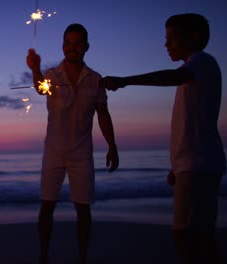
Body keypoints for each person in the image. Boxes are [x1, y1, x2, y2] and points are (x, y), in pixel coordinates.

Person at [99, 13, 225, 264]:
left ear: (194, 37)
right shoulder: (198, 68)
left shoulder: (201, 62)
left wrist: (125, 81)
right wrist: (177, 168)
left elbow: (171, 77)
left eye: (172, 38)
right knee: (201, 236)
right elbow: (191, 126)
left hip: (198, 167)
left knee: (185, 236)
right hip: (194, 166)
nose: (166, 45)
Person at [26, 23, 119, 264]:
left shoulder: (95, 79)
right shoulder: (51, 75)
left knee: (83, 210)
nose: (72, 47)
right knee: (47, 207)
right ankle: (43, 257)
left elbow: (103, 115)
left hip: (82, 154)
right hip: (53, 152)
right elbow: (39, 89)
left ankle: (82, 258)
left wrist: (112, 146)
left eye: (77, 43)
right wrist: (35, 69)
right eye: (68, 42)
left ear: (86, 47)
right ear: (63, 45)